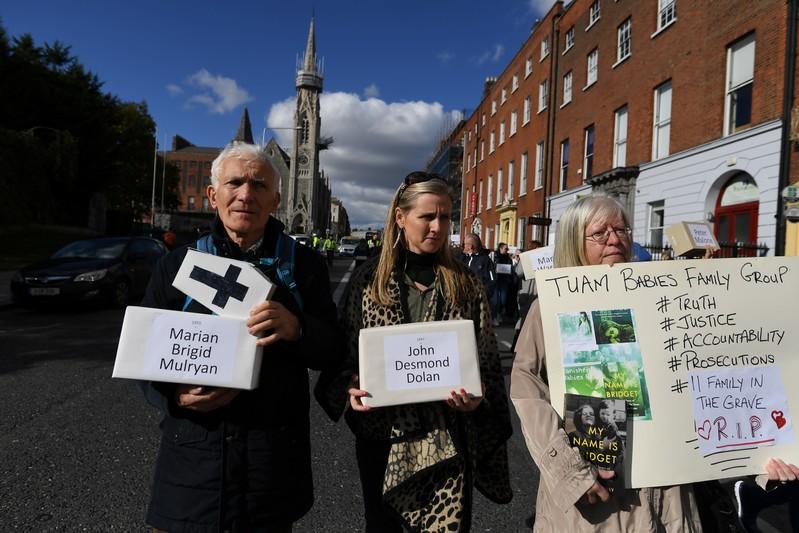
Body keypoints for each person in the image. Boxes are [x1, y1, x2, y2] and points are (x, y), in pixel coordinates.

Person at [138, 142, 342, 533]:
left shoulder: (305, 266)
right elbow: (140, 351)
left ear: (276, 198)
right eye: (235, 183)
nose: (246, 194)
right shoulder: (178, 265)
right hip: (192, 462)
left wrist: (297, 329)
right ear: (214, 196)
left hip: (271, 465)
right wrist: (174, 395)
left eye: (259, 185)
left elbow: (333, 349)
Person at [316, 171, 512, 532]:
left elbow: (486, 362)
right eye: (427, 217)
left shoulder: (467, 284)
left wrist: (478, 400)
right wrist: (352, 387)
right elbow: (345, 355)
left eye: (445, 217)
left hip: (449, 440)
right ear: (401, 218)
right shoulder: (367, 281)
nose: (437, 227)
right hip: (383, 439)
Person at [511, 194, 704, 531]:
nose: (615, 239)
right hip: (595, 496)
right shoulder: (551, 307)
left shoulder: (661, 299)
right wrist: (571, 473)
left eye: (622, 229)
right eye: (600, 233)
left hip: (664, 492)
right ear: (575, 241)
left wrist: (763, 455)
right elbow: (528, 390)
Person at [461, 233, 496, 307]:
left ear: (470, 246)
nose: (463, 246)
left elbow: (492, 281)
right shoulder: (462, 258)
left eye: (464, 244)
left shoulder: (486, 261)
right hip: (462, 301)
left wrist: (481, 296)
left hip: (478, 303)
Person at [492, 242, 514, 326]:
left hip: (505, 280)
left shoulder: (508, 258)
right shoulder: (495, 257)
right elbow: (493, 267)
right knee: (496, 300)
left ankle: (499, 313)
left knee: (503, 300)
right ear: (500, 248)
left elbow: (511, 268)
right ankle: (495, 316)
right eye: (506, 248)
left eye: (507, 248)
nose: (507, 250)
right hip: (497, 280)